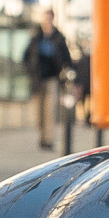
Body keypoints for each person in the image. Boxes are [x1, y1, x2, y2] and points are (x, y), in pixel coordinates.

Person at [23, 8, 71, 148]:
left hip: (52, 78)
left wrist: (67, 72)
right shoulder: (36, 37)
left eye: (49, 18)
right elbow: (26, 57)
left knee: (50, 111)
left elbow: (66, 58)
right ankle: (42, 136)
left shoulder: (58, 38)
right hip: (37, 79)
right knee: (38, 112)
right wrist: (30, 71)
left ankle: (48, 139)